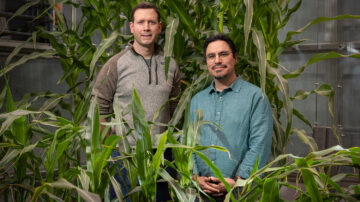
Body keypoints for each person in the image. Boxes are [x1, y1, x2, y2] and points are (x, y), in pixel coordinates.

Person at [92, 2, 181, 201]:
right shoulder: (116, 64)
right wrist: (112, 149)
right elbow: (98, 108)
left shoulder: (171, 65)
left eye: (151, 22)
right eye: (141, 22)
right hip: (126, 157)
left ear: (159, 27)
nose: (146, 27)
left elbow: (175, 107)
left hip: (161, 156)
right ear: (132, 27)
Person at [190, 34, 272, 200]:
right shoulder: (197, 100)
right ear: (206, 62)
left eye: (223, 54)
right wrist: (195, 177)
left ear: (235, 58)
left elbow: (259, 144)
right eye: (211, 56)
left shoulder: (255, 97)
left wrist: (239, 182)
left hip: (240, 192)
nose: (217, 60)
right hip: (201, 192)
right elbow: (189, 143)